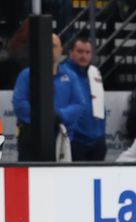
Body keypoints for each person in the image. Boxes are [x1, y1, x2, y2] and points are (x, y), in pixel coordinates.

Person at [12, 33, 84, 161]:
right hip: (32, 138)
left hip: (60, 138)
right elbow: (20, 104)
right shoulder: (26, 75)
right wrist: (44, 117)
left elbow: (79, 104)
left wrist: (59, 116)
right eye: (47, 46)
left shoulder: (70, 76)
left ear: (61, 50)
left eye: (54, 46)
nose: (50, 49)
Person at [61, 35, 107, 161]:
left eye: (87, 52)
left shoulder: (94, 73)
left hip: (97, 141)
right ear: (71, 52)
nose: (84, 56)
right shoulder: (63, 73)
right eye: (80, 51)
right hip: (76, 140)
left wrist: (101, 135)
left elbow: (100, 104)